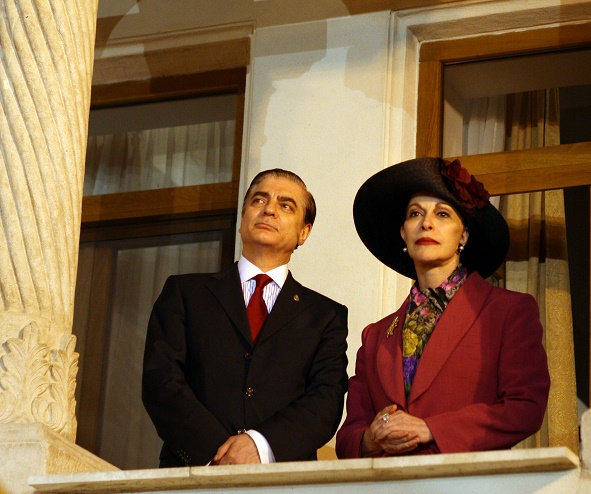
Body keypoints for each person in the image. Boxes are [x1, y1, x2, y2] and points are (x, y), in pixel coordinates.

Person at [335, 157, 550, 458]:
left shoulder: (508, 312)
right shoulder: (375, 337)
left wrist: (430, 429)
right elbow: (348, 438)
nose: (426, 223)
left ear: (463, 236)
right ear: (403, 233)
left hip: (467, 480)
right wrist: (370, 439)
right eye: (415, 213)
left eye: (443, 214)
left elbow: (525, 408)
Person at [143, 168, 349, 467]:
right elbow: (162, 382)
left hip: (282, 482)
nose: (269, 210)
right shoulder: (185, 293)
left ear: (304, 232)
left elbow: (325, 402)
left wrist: (259, 446)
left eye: (285, 205)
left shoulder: (325, 316)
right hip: (193, 476)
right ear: (242, 219)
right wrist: (218, 454)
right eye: (258, 200)